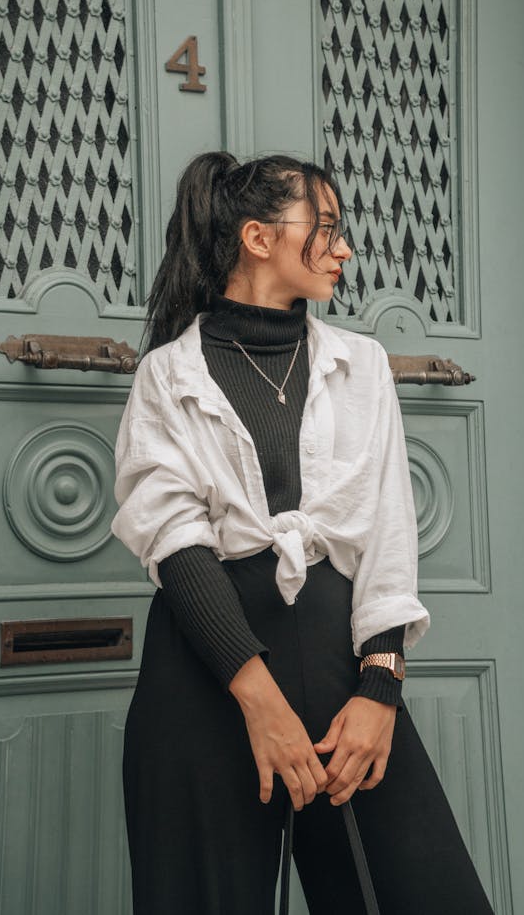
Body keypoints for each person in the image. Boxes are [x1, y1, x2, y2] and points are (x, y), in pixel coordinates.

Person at [112, 152, 494, 915]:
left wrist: (380, 686)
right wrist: (262, 702)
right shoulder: (166, 375)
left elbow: (388, 528)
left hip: (339, 659)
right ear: (258, 236)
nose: (344, 248)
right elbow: (176, 542)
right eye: (326, 229)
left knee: (415, 889)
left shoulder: (363, 364)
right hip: (206, 669)